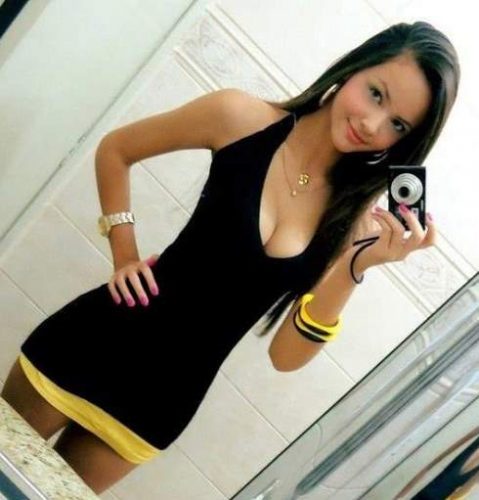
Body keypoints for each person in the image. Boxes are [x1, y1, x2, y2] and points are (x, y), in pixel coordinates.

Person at [1, 21, 460, 494]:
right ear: (354, 69)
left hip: (159, 405)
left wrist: (355, 267)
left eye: (398, 125)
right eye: (376, 94)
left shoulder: (351, 219)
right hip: (90, 342)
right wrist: (124, 255)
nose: (372, 124)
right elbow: (117, 149)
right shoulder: (240, 116)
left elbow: (285, 357)